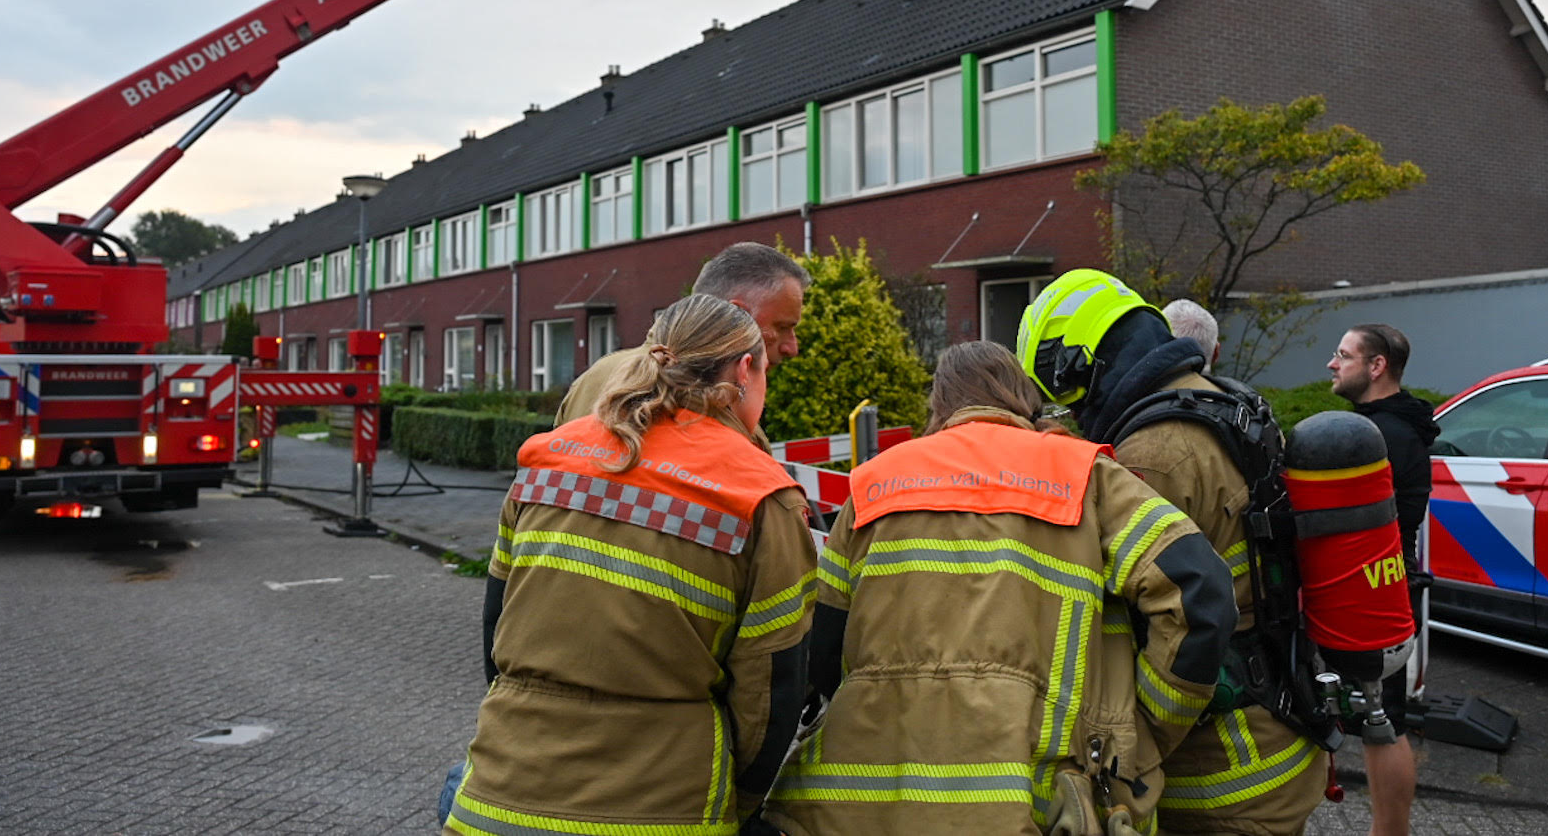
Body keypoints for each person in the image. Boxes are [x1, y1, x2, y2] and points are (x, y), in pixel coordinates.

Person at [766, 340, 1237, 836]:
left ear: (939, 404)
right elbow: (1200, 592)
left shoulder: (874, 484)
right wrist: (1146, 732)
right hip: (1038, 800)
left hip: (861, 806)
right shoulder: (1085, 476)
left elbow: (821, 648)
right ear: (1025, 400)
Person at [447, 293, 815, 836]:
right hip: (662, 807)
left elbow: (496, 627)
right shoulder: (760, 496)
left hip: (498, 799)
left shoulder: (545, 459)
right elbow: (772, 688)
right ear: (743, 370)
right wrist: (741, 802)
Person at [1017, 270, 1326, 835]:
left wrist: (1139, 740)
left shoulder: (1154, 454)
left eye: (1060, 391)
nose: (1068, 409)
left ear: (1080, 365)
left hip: (1221, 775)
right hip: (1280, 730)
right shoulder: (1227, 403)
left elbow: (1159, 613)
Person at [1327, 323, 1437, 836]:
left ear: (1376, 367)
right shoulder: (1391, 424)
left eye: (1344, 355)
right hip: (1386, 586)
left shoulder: (1379, 436)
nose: (1332, 363)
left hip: (1374, 594)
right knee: (1379, 719)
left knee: (1382, 721)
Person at [554, 241, 808, 426]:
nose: (791, 348)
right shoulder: (714, 400)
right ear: (737, 315)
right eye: (782, 328)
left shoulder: (594, 378)